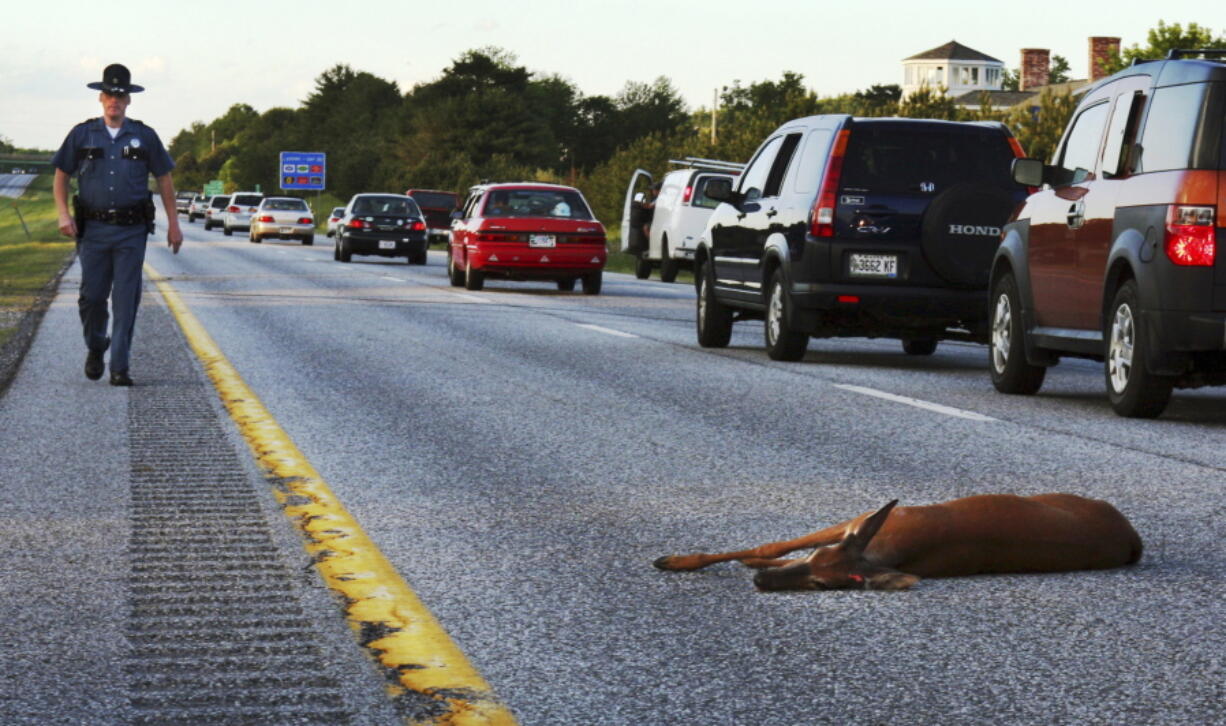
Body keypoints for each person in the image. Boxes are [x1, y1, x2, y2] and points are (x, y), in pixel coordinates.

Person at [53, 63, 182, 387]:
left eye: (120, 95)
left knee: (126, 299)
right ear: (101, 97)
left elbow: (164, 179)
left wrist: (174, 224)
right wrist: (63, 214)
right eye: (110, 94)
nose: (115, 100)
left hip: (131, 231)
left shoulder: (144, 136)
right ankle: (97, 345)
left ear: (128, 100)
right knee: (92, 298)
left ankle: (120, 367)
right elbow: (61, 175)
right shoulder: (82, 134)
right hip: (93, 231)